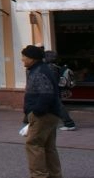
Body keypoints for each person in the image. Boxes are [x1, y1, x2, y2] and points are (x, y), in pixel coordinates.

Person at [21, 45, 62, 178]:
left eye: (24, 57)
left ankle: (39, 175)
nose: (22, 59)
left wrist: (35, 112)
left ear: (32, 58)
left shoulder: (39, 72)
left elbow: (46, 94)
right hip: (50, 114)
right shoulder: (40, 69)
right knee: (49, 148)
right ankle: (54, 175)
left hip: (43, 115)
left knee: (33, 145)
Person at [43, 50, 77, 131]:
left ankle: (69, 124)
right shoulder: (54, 66)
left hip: (52, 91)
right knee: (53, 107)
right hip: (54, 91)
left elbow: (51, 81)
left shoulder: (50, 67)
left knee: (58, 107)